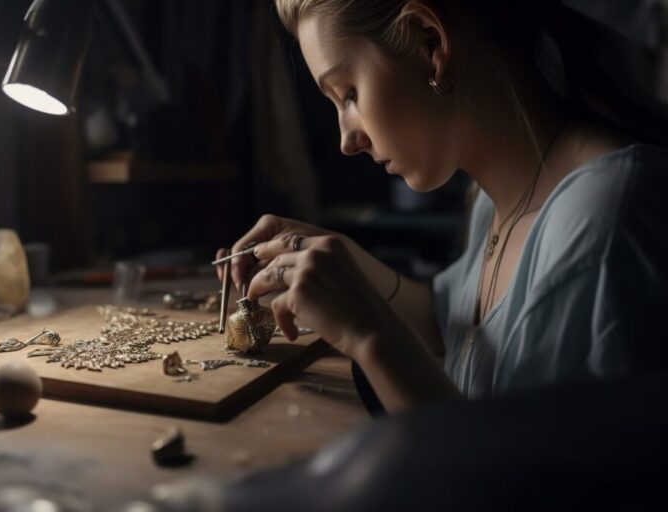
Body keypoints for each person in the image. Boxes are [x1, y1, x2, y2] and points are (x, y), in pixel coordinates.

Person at [216, 0, 668, 413]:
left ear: (429, 42)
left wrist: (369, 336)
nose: (346, 141)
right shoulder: (494, 199)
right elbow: (452, 323)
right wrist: (337, 255)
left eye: (348, 93)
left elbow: (502, 488)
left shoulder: (607, 219)